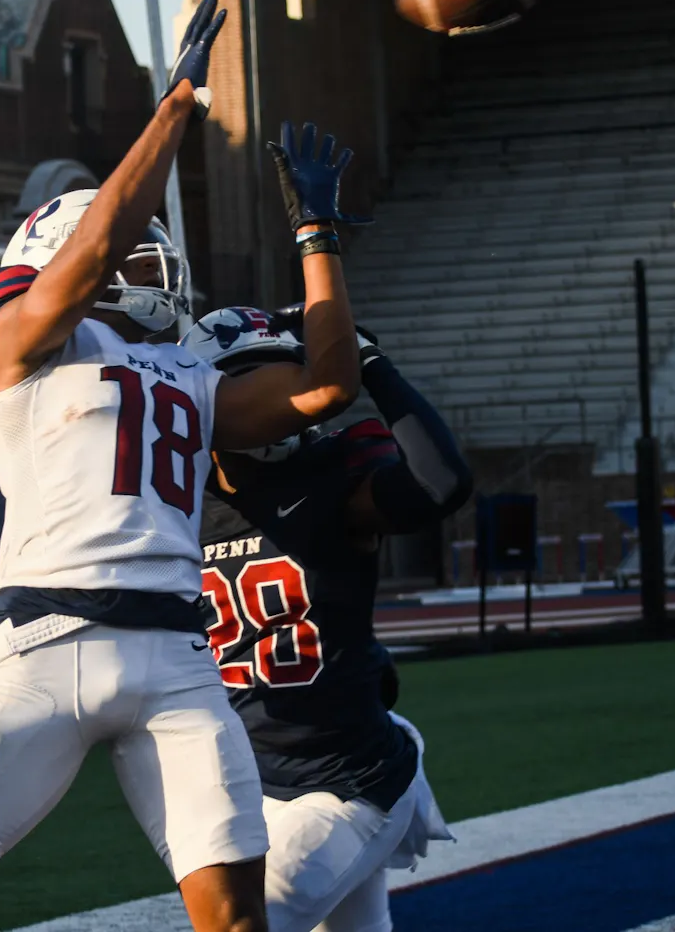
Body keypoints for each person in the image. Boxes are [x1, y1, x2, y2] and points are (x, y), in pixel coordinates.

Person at [0, 0, 367, 932]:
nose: (151, 270)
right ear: (62, 262)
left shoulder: (187, 365)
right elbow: (99, 239)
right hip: (39, 649)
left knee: (236, 921)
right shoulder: (20, 344)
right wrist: (175, 104)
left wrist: (319, 243)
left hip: (179, 659)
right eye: (129, 258)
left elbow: (324, 390)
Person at [181, 301, 473, 932]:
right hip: (248, 784)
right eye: (252, 381)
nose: (278, 398)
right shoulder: (179, 499)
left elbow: (439, 485)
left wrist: (371, 364)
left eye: (286, 377)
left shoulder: (333, 473)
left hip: (348, 776)